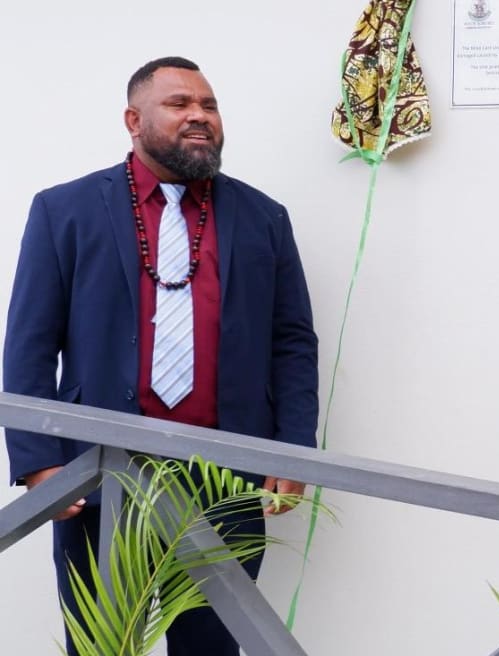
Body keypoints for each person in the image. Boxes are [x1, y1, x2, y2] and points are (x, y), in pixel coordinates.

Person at [3, 56, 318, 656]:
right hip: (97, 475)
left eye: (210, 105)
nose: (200, 116)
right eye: (180, 104)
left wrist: (295, 450)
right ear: (133, 118)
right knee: (100, 648)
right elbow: (30, 343)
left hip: (224, 480)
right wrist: (39, 460)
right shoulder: (63, 211)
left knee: (214, 647)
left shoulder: (263, 218)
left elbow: (292, 342)